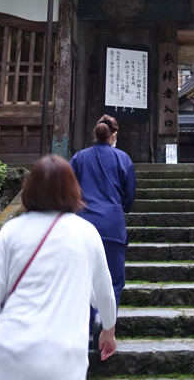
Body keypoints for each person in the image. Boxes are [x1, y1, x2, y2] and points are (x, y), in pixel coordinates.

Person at [0, 156, 117, 380]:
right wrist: (108, 330)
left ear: (30, 188)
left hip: (10, 351)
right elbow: (103, 293)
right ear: (73, 189)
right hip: (64, 356)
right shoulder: (87, 232)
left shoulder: (10, 231)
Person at [69, 115, 136, 311]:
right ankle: (106, 326)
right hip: (112, 224)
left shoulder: (79, 158)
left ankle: (88, 326)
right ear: (113, 135)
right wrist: (121, 208)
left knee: (84, 278)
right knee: (113, 279)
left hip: (83, 223)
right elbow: (129, 194)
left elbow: (69, 190)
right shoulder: (123, 158)